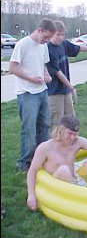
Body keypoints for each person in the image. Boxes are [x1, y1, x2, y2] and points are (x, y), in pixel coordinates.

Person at [27, 115, 87, 211]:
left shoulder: (77, 142)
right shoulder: (45, 147)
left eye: (75, 134)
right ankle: (84, 200)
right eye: (70, 133)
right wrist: (31, 195)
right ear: (60, 130)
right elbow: (32, 171)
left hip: (74, 181)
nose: (73, 137)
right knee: (64, 169)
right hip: (56, 186)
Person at [9, 18, 56, 172]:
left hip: (42, 91)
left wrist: (46, 76)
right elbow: (12, 68)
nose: (46, 41)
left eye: (49, 38)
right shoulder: (23, 44)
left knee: (44, 126)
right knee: (29, 129)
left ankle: (41, 157)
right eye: (45, 37)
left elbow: (42, 65)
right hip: (27, 92)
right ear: (39, 30)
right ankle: (24, 162)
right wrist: (31, 79)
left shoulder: (43, 46)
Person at [46, 20, 87, 131]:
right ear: (51, 33)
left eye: (63, 35)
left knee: (70, 120)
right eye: (58, 35)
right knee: (56, 122)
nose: (60, 37)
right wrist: (71, 88)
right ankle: (55, 146)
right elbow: (58, 72)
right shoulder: (47, 49)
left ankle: (70, 143)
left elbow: (78, 48)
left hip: (65, 91)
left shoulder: (64, 44)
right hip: (54, 92)